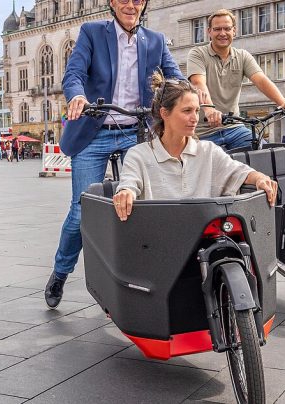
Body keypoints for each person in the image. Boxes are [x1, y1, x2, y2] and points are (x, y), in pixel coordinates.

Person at [45, 0, 183, 309]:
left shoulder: (155, 41)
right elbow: (74, 73)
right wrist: (78, 95)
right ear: (111, 2)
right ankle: (60, 272)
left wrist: (192, 93)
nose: (130, 5)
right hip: (95, 131)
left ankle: (141, 279)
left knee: (144, 205)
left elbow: (174, 76)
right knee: (82, 210)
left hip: (135, 131)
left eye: (137, 0)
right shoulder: (92, 33)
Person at [113, 72, 277, 220]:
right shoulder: (138, 155)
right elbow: (129, 184)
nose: (195, 118)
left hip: (204, 245)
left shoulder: (208, 151)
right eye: (187, 111)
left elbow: (239, 172)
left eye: (197, 111)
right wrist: (125, 193)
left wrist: (260, 178)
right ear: (164, 113)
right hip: (156, 242)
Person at [187, 9, 285, 150]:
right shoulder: (198, 53)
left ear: (234, 31)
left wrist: (284, 103)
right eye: (217, 29)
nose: (222, 33)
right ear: (209, 32)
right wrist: (209, 110)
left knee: (261, 152)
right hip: (204, 131)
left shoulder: (243, 56)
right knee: (206, 165)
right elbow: (198, 82)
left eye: (227, 29)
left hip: (234, 127)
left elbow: (261, 80)